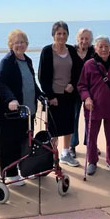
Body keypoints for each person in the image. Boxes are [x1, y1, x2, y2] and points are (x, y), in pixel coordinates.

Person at [0, 29, 43, 187]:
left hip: (28, 111)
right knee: (10, 143)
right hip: (12, 113)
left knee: (25, 141)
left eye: (22, 42)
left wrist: (40, 94)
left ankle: (24, 168)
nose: (20, 45)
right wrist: (11, 99)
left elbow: (31, 82)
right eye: (16, 42)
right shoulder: (7, 61)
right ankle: (10, 173)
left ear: (27, 44)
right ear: (10, 45)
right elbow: (0, 83)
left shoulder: (27, 60)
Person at [78, 35, 110, 176]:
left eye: (106, 46)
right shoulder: (89, 65)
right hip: (93, 107)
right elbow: (81, 86)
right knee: (91, 137)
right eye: (101, 46)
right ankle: (92, 162)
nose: (104, 49)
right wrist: (86, 98)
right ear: (95, 48)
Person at [38, 20, 82, 167]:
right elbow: (42, 76)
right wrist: (50, 96)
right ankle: (53, 155)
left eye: (64, 33)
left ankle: (65, 153)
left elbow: (78, 71)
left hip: (68, 95)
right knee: (53, 128)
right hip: (54, 97)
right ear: (53, 35)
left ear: (68, 35)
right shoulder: (47, 51)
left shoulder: (71, 50)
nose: (61, 36)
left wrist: (73, 85)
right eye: (58, 33)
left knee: (68, 125)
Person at [70, 28, 96, 158]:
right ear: (77, 38)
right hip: (73, 91)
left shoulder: (94, 51)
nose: (84, 41)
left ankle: (90, 145)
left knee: (90, 119)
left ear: (91, 40)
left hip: (90, 92)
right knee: (73, 118)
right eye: (82, 38)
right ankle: (72, 146)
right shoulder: (70, 51)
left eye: (87, 38)